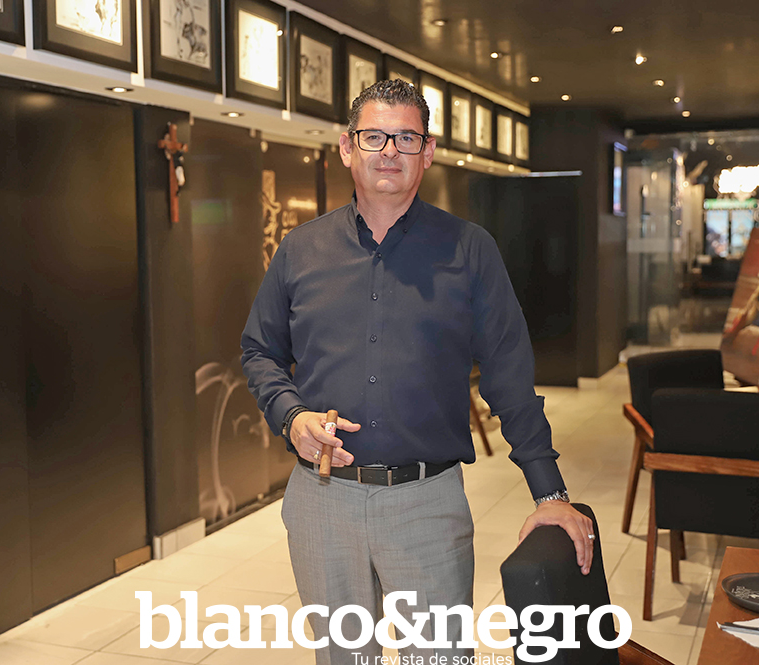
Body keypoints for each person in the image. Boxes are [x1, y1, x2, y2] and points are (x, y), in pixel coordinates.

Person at [241, 79, 593, 664]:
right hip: (322, 500)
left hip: (427, 503)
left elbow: (508, 374)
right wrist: (292, 415)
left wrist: (549, 491)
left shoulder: (469, 250)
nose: (389, 151)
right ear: (347, 147)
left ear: (427, 152)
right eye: (374, 137)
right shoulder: (300, 250)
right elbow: (260, 351)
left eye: (406, 138)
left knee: (440, 658)